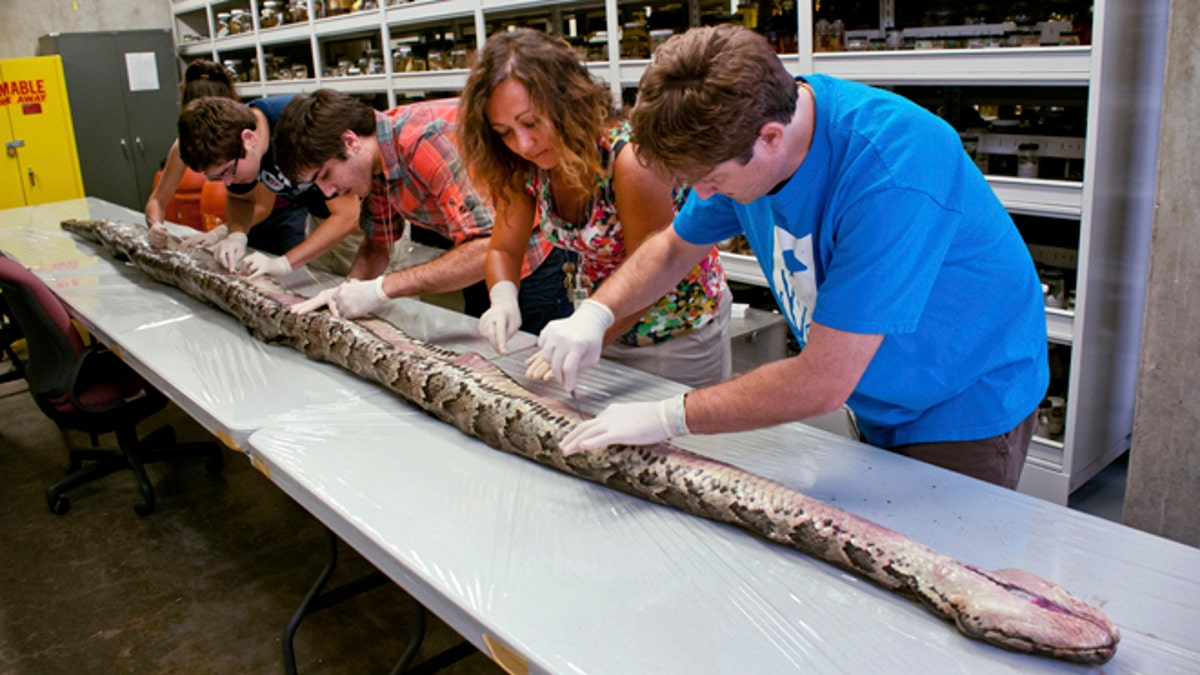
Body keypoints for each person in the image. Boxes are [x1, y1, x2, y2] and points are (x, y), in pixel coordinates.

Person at [543, 24, 1048, 489]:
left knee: (930, 567)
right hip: (876, 392)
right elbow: (676, 246)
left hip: (962, 401)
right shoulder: (742, 135)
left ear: (770, 138)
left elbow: (822, 381)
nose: (704, 194)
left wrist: (669, 416)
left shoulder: (893, 172)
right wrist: (596, 313)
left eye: (712, 180)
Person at [456, 28, 731, 387]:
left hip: (675, 331)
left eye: (530, 122)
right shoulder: (524, 165)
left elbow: (656, 272)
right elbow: (505, 247)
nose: (522, 143)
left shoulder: (628, 161)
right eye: (504, 132)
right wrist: (503, 297)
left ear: (565, 101)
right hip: (601, 320)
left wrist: (591, 330)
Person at [275, 88, 571, 332]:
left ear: (350, 142)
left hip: (529, 261)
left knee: (535, 368)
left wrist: (381, 289)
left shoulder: (425, 141)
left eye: (326, 175)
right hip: (477, 265)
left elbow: (486, 248)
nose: (328, 193)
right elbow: (378, 243)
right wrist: (348, 291)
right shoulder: (374, 165)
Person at [175, 95, 362, 276]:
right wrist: (236, 234)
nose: (228, 181)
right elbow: (240, 198)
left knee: (360, 292)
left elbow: (348, 215)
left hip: (363, 217)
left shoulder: (297, 130)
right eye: (218, 177)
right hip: (318, 216)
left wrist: (284, 263)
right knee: (321, 285)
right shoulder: (233, 143)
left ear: (249, 139)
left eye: (227, 171)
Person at [144, 59, 237, 248]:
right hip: (228, 226)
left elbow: (260, 205)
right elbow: (157, 200)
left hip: (272, 220)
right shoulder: (184, 145)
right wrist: (156, 225)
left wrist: (224, 233)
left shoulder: (248, 136)